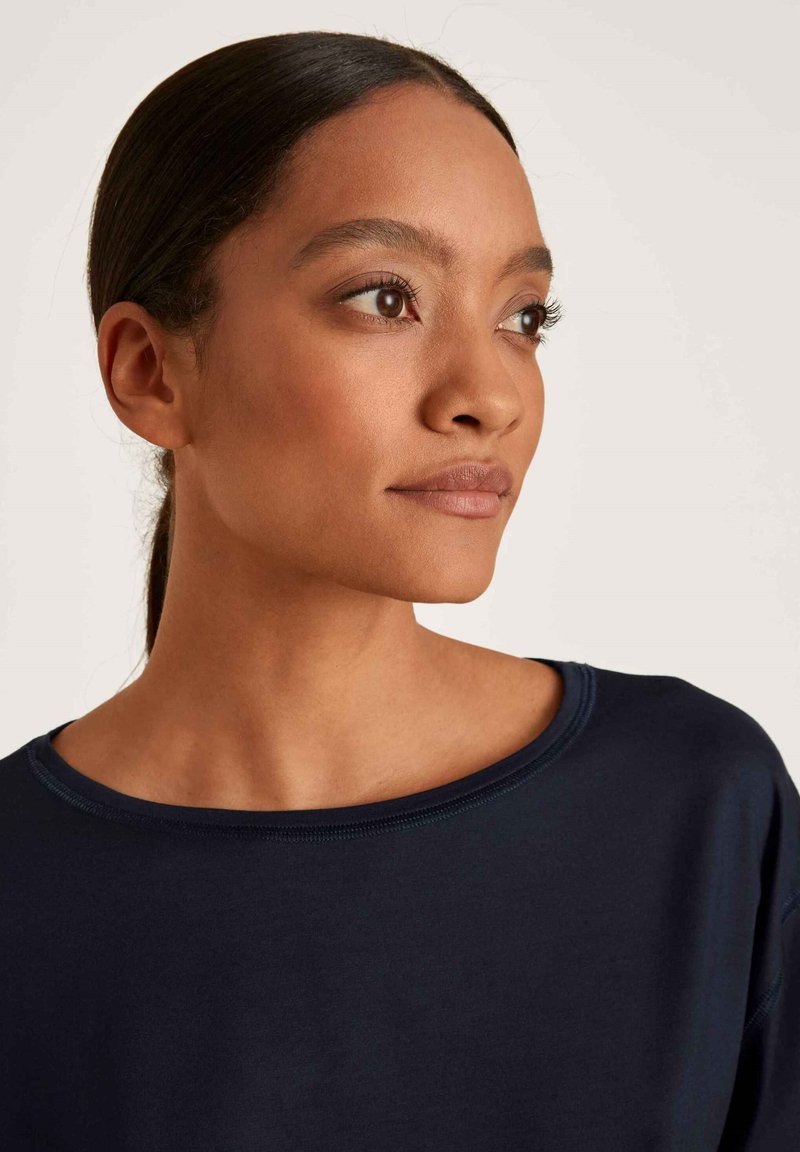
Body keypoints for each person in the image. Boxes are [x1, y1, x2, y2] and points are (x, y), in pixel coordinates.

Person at [1, 31, 797, 1150]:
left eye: (522, 316)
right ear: (150, 370)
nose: (488, 395)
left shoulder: (697, 809)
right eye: (386, 298)